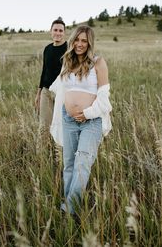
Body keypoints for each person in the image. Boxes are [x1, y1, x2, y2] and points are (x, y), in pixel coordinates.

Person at [50, 25, 112, 215]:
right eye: (77, 39)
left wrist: (87, 113)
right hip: (68, 119)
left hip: (91, 121)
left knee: (82, 163)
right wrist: (64, 112)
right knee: (69, 163)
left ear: (90, 42)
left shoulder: (98, 62)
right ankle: (68, 201)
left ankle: (70, 209)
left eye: (84, 40)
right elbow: (61, 91)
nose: (79, 44)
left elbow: (104, 98)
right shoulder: (67, 62)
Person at [35, 18, 67, 140]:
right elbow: (44, 71)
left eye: (60, 30)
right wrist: (38, 93)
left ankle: (58, 155)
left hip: (61, 93)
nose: (58, 33)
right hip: (46, 92)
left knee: (60, 125)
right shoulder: (47, 49)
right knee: (44, 125)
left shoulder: (68, 49)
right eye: (55, 30)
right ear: (50, 31)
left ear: (64, 32)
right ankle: (41, 156)